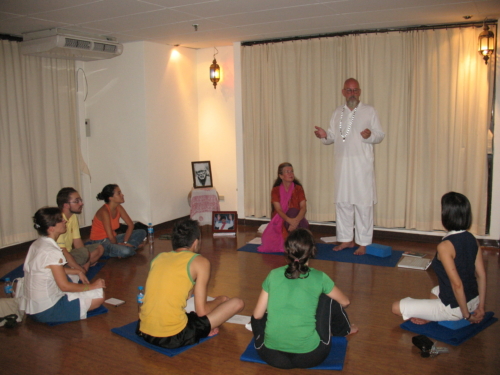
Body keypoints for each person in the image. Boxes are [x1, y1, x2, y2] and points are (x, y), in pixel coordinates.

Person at [251, 228, 357, 369]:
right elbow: (345, 302)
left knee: (257, 314)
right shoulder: (320, 277)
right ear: (312, 251)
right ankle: (344, 330)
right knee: (329, 299)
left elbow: (257, 315)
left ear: (287, 251)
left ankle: (279, 334)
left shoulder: (273, 274)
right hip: (310, 357)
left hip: (273, 356)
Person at [136, 218, 244, 349]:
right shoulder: (200, 262)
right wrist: (220, 300)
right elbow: (202, 312)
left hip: (144, 330)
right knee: (237, 303)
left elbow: (186, 296)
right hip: (172, 336)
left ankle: (199, 328)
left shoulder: (159, 258)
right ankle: (203, 326)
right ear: (196, 242)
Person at [392, 192, 487, 324]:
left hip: (457, 309)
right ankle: (432, 316)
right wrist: (481, 307)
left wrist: (466, 315)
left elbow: (457, 285)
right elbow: (481, 275)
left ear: (446, 215)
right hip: (474, 301)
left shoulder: (445, 246)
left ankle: (438, 315)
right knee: (435, 290)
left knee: (396, 307)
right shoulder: (472, 239)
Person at [314, 78, 385, 255]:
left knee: (363, 204)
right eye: (348, 90)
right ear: (343, 92)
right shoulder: (338, 112)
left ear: (359, 92)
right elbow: (331, 137)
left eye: (354, 90)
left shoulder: (369, 111)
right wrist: (324, 135)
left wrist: (370, 135)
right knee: (343, 203)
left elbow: (380, 135)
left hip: (361, 166)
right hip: (342, 167)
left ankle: (363, 243)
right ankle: (346, 239)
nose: (352, 93)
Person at [23, 207, 105, 323]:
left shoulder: (37, 244)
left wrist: (77, 271)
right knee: (99, 296)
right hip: (46, 310)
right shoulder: (51, 250)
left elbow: (48, 269)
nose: (65, 221)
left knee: (75, 276)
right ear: (51, 228)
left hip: (31, 307)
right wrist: (92, 286)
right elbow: (64, 286)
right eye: (61, 220)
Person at [258, 162, 308, 253]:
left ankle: (296, 244)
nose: (291, 174)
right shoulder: (276, 190)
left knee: (293, 212)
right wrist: (290, 221)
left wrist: (295, 221)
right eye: (287, 172)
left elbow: (303, 207)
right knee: (292, 213)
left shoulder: (298, 188)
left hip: (297, 218)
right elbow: (278, 210)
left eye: (292, 171)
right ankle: (297, 245)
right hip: (283, 218)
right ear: (281, 176)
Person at [87, 184, 146, 258]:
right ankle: (131, 247)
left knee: (142, 232)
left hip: (114, 238)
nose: (122, 195)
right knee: (126, 251)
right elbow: (110, 237)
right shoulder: (104, 211)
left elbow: (131, 225)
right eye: (119, 193)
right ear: (111, 198)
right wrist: (118, 245)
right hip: (101, 242)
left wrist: (125, 242)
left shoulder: (119, 207)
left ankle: (128, 247)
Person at [56, 187, 104, 273]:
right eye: (77, 201)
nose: (81, 203)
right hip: (60, 258)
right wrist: (85, 259)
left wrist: (86, 257)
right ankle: (76, 269)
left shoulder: (73, 216)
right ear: (66, 205)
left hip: (71, 253)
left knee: (99, 248)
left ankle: (78, 269)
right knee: (85, 254)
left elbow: (77, 241)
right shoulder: (58, 221)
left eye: (80, 200)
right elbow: (62, 251)